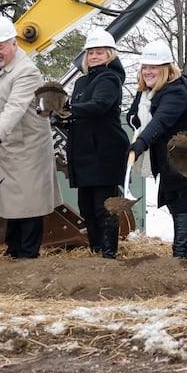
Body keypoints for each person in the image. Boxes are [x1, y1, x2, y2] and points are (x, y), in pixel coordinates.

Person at [0, 16, 59, 259]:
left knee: (29, 204)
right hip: (6, 146)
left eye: (0, 47)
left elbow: (15, 108)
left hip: (27, 148)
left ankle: (28, 255)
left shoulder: (27, 72)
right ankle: (13, 251)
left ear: (14, 44)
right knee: (11, 203)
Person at [127, 40, 187, 259]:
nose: (148, 72)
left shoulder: (176, 93)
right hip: (171, 159)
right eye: (145, 67)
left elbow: (160, 122)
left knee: (183, 204)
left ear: (166, 69)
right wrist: (133, 122)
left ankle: (182, 257)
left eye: (154, 67)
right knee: (175, 204)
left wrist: (140, 144)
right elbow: (135, 116)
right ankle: (184, 254)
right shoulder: (146, 94)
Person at [65, 29, 130, 259]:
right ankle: (95, 249)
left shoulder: (110, 78)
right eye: (91, 52)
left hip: (104, 151)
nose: (94, 56)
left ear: (109, 55)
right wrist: (63, 117)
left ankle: (109, 253)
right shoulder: (82, 82)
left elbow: (99, 105)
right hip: (84, 151)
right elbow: (79, 114)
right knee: (87, 206)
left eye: (99, 52)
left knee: (105, 206)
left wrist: (69, 111)